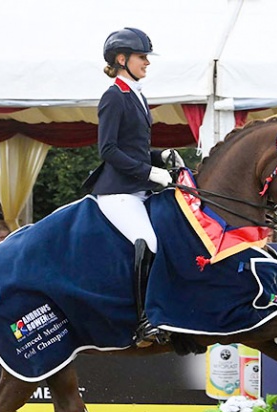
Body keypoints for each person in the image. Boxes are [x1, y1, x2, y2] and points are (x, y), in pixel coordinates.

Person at [92, 27, 185, 345]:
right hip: (117, 192)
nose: (147, 62)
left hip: (139, 188)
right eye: (141, 56)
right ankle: (144, 321)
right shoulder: (113, 97)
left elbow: (132, 148)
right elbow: (108, 150)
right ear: (122, 59)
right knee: (148, 240)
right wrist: (150, 172)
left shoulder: (137, 95)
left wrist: (161, 155)